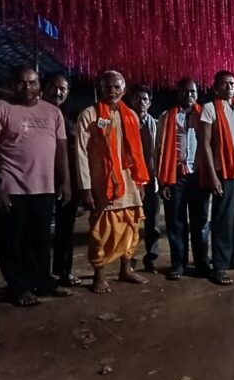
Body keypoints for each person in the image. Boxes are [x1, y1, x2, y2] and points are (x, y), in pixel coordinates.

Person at [0, 66, 72, 307]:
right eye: (22, 82)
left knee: (40, 239)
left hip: (44, 187)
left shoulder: (53, 112)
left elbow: (62, 150)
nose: (28, 87)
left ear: (39, 85)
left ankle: (43, 281)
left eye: (32, 82)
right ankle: (18, 287)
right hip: (12, 187)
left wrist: (65, 181)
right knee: (13, 240)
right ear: (12, 84)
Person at [76, 70, 151, 294]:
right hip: (103, 184)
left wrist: (140, 183)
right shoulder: (89, 115)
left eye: (117, 87)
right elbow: (80, 153)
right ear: (100, 88)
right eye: (108, 87)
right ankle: (99, 274)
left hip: (129, 182)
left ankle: (125, 269)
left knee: (131, 226)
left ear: (124, 90)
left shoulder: (131, 115)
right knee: (102, 231)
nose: (112, 91)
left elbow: (136, 153)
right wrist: (85, 188)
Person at [200, 70, 234, 285]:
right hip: (223, 171)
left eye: (232, 83)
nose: (229, 87)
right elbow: (205, 144)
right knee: (223, 219)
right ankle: (220, 266)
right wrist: (213, 176)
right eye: (224, 84)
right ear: (216, 87)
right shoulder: (209, 108)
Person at [156, 78, 210, 281]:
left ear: (197, 94)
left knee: (200, 221)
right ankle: (178, 264)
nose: (189, 95)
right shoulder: (167, 117)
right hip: (175, 175)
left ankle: (202, 263)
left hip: (199, 175)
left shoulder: (205, 114)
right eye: (185, 91)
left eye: (192, 91)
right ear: (178, 93)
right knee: (175, 221)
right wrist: (163, 181)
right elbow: (160, 150)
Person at [43, 74, 82, 287]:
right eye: (54, 87)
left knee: (65, 227)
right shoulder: (35, 112)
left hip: (68, 179)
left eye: (63, 89)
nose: (58, 92)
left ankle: (63, 271)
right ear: (45, 87)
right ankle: (39, 274)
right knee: (38, 228)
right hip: (39, 178)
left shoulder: (73, 116)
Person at [129, 84, 161, 273]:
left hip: (151, 178)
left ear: (149, 103)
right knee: (130, 221)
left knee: (152, 223)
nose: (141, 102)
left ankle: (151, 258)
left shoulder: (156, 124)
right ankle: (128, 258)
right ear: (132, 100)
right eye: (138, 98)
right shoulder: (125, 123)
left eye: (145, 99)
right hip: (130, 179)